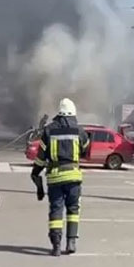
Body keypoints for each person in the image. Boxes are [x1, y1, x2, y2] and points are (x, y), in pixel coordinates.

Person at [30, 98, 90, 257]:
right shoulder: (80, 131)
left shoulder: (49, 131)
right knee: (73, 209)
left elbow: (41, 158)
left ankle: (56, 245)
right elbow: (85, 150)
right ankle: (71, 242)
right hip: (74, 177)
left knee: (56, 210)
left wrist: (35, 173)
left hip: (55, 178)